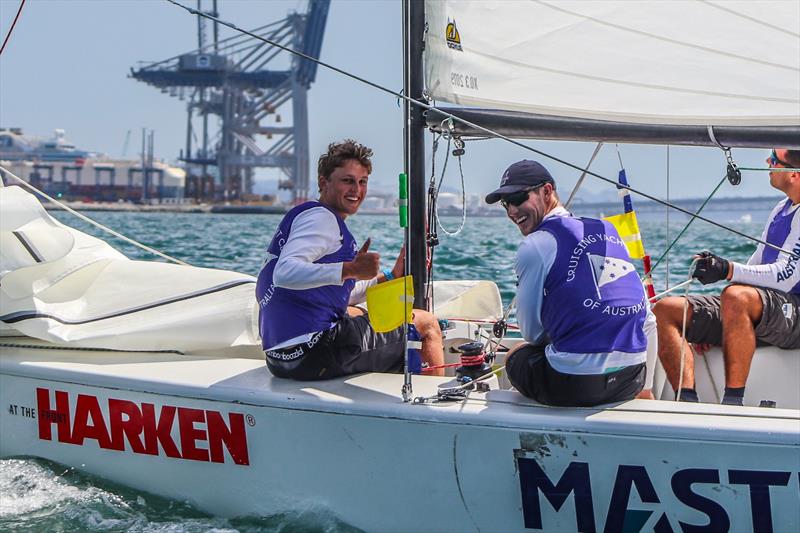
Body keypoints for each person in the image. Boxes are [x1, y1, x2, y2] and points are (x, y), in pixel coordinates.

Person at [256, 139, 444, 380]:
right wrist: (349, 268)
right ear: (324, 182)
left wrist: (390, 276)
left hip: (279, 359)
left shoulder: (305, 217)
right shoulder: (322, 219)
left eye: (362, 182)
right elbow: (283, 273)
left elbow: (333, 290)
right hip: (315, 352)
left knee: (353, 312)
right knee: (426, 323)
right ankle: (436, 406)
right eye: (347, 181)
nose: (356, 189)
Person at [486, 159, 654, 407]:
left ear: (547, 191)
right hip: (632, 380)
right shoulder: (609, 230)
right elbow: (648, 320)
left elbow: (532, 333)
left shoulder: (535, 245)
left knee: (515, 356)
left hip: (573, 385)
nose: (512, 210)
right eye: (506, 203)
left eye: (519, 198)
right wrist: (646, 389)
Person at [654, 148, 800, 406]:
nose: (767, 162)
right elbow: (756, 264)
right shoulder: (781, 209)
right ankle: (687, 401)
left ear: (794, 174)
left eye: (774, 159)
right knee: (667, 309)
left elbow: (785, 276)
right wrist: (719, 321)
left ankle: (733, 402)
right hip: (765, 310)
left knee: (735, 295)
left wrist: (727, 270)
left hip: (794, 314)